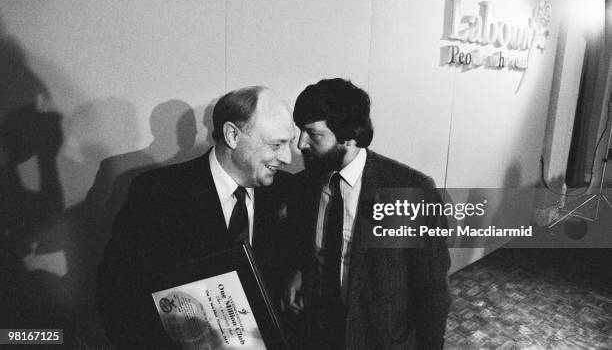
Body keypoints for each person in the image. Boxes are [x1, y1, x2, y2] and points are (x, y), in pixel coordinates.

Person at [97, 86, 295, 349]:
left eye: (289, 143)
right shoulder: (157, 194)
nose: (287, 157)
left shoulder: (289, 192)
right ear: (232, 135)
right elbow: (117, 292)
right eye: (276, 145)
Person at [284, 78, 450, 349]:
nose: (300, 144)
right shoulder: (305, 184)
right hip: (318, 334)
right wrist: (300, 270)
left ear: (349, 137)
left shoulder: (406, 189)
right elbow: (306, 241)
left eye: (313, 134)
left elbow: (431, 291)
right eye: (300, 131)